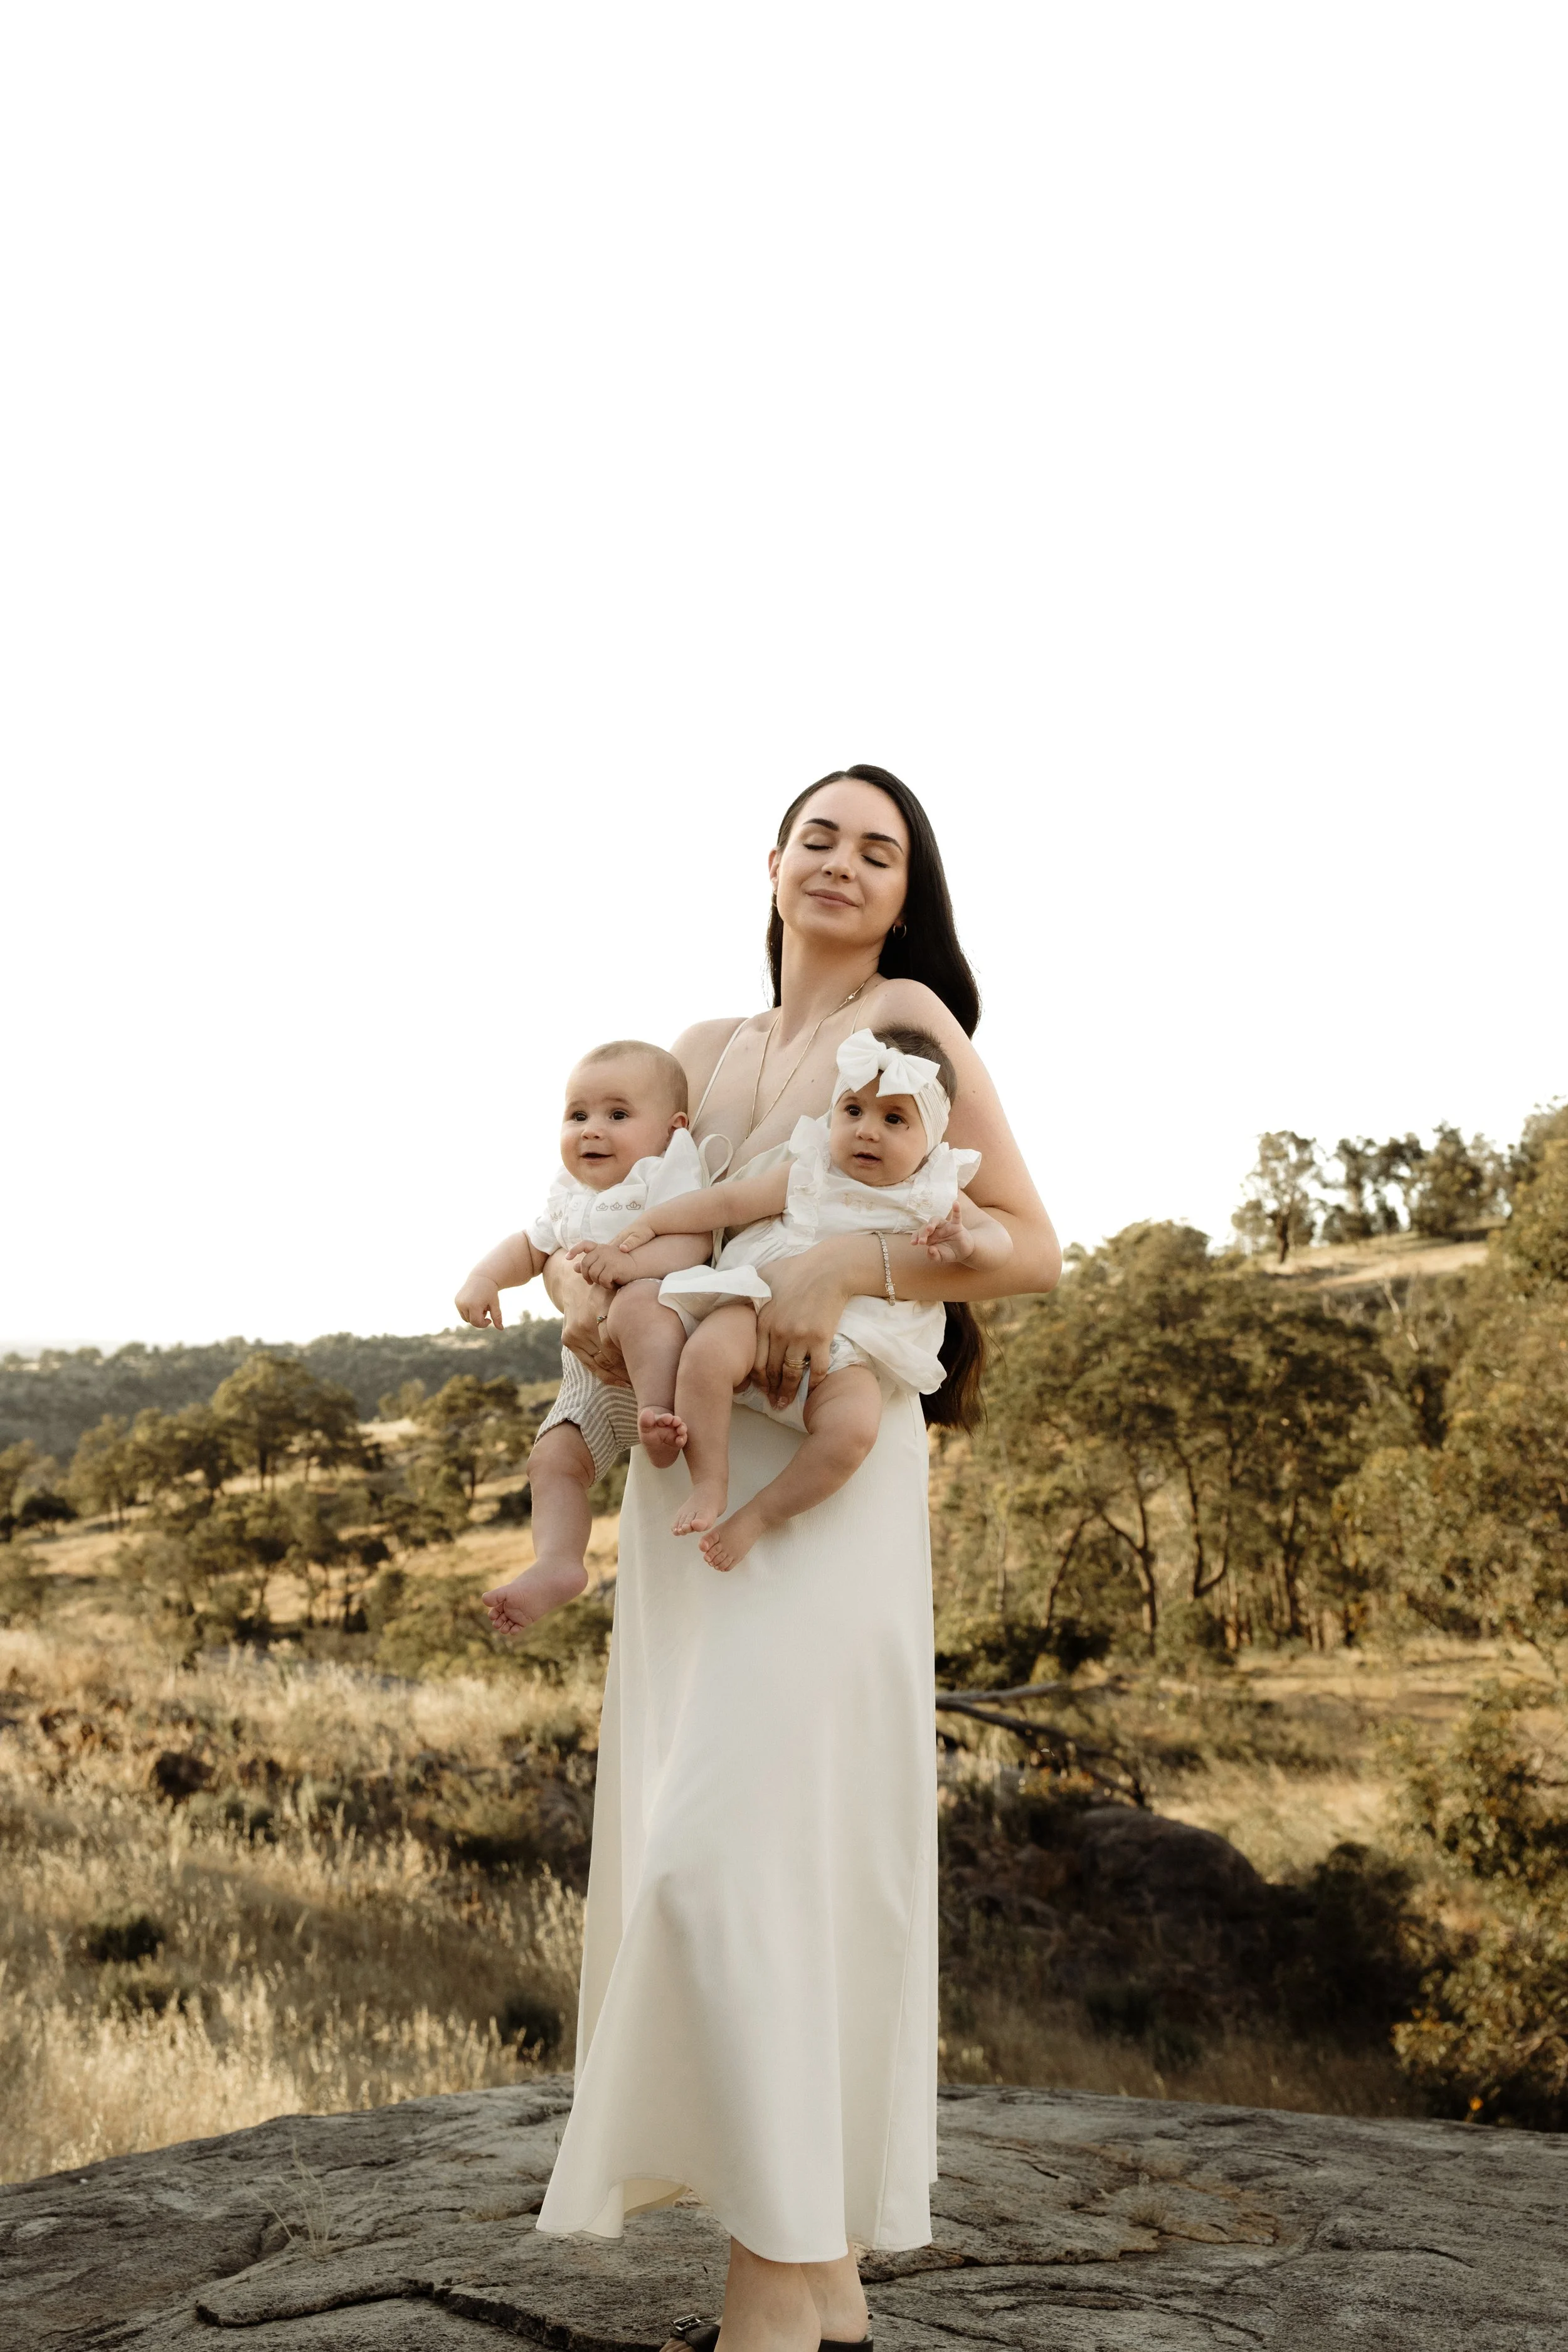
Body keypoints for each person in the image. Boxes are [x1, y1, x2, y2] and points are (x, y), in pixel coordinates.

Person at [455, 766, 1061, 2352]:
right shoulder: (709, 1049)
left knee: (722, 1868)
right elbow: (642, 1208)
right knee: (746, 1864)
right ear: (773, 859)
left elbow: (1032, 1242)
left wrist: (847, 1263)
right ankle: (827, 2297)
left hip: (826, 1495)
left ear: (907, 883)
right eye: (821, 836)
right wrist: (591, 1297)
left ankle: (769, 2306)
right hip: (687, 1491)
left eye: (882, 846)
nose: (846, 862)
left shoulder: (913, 1014)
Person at [566, 1024, 1010, 1571]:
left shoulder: (936, 1192)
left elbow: (1002, 1244)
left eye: (894, 1119)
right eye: (853, 1111)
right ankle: (709, 1480)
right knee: (705, 1353)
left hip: (857, 1345)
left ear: (930, 1137)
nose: (867, 1131)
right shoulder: (810, 1172)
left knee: (853, 1431)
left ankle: (760, 1515)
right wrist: (647, 1227)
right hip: (761, 1302)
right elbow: (724, 1203)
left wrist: (965, 1243)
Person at [460, 1039, 713, 1635]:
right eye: (578, 1115)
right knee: (551, 1462)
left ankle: (656, 1417)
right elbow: (530, 1247)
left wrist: (633, 1264)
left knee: (642, 1305)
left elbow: (698, 1242)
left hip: (659, 1353)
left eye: (617, 1115)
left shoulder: (667, 1180)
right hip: (588, 1374)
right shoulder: (569, 1197)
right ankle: (558, 1562)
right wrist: (485, 1277)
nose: (592, 1131)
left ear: (673, 1131)